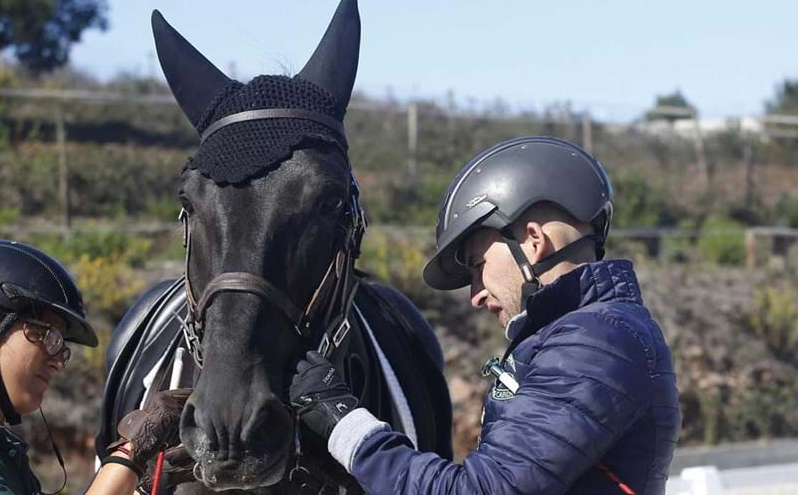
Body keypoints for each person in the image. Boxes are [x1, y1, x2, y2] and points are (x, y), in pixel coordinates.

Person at [290, 136, 681, 495]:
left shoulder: (595, 342)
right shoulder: (581, 336)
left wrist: (347, 425)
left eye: (477, 264)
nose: (475, 295)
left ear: (533, 241)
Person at [0, 240, 190, 495]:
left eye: (62, 347)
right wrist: (133, 451)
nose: (58, 362)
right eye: (45, 335)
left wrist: (139, 481)